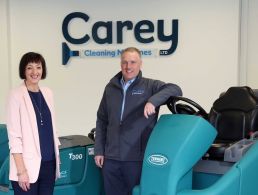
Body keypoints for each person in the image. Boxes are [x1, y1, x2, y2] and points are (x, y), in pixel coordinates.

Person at [94, 47, 182, 195]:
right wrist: (99, 150)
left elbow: (175, 89)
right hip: (111, 158)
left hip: (136, 159)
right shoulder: (110, 88)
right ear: (120, 64)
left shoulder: (150, 86)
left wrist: (153, 101)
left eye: (133, 62)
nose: (128, 67)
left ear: (140, 63)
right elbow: (102, 120)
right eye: (125, 62)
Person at [6, 52, 61, 195]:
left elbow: (52, 129)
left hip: (49, 164)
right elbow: (14, 137)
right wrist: (21, 171)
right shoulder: (16, 95)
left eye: (38, 67)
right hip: (26, 168)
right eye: (30, 68)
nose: (35, 72)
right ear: (23, 70)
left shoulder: (48, 93)